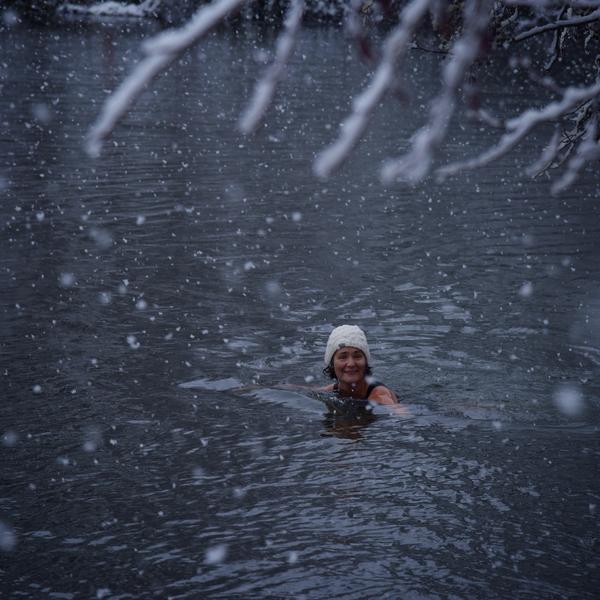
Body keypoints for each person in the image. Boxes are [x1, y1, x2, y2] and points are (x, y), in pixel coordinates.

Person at [320, 325, 398, 406]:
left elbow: (399, 415)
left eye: (357, 356)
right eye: (343, 357)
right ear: (332, 364)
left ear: (366, 362)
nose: (351, 364)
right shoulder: (331, 390)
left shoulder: (380, 396)